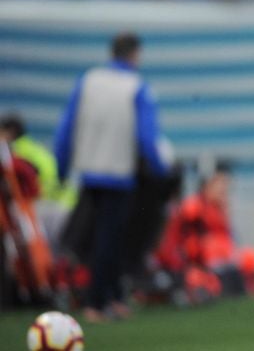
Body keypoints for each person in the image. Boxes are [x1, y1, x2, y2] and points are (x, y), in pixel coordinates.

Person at [54, 32, 171, 323]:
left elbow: (66, 127)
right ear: (135, 55)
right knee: (111, 239)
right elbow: (147, 138)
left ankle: (115, 296)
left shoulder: (88, 81)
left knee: (104, 238)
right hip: (118, 173)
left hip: (89, 171)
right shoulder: (137, 87)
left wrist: (62, 167)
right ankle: (96, 302)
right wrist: (160, 173)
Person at [153, 160, 254, 302]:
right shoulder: (193, 208)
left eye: (226, 184)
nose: (224, 189)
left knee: (251, 258)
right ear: (207, 185)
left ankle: (241, 285)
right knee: (197, 278)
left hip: (219, 262)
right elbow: (183, 244)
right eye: (220, 184)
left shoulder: (220, 209)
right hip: (195, 264)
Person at [1, 114, 77, 249]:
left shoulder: (16, 153)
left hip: (49, 205)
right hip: (65, 204)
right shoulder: (32, 147)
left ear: (9, 132)